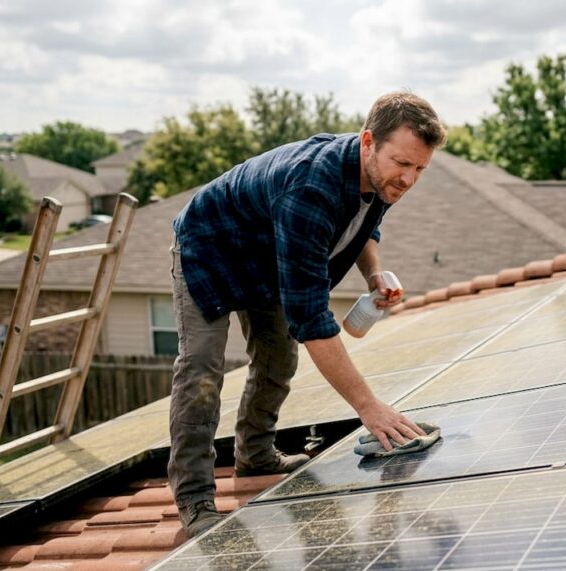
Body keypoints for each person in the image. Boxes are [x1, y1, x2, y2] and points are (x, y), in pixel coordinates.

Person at [167, 91, 447, 537]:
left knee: (279, 358)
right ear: (369, 141)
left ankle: (255, 454)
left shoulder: (381, 172)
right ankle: (195, 497)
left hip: (268, 253)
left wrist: (373, 276)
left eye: (419, 169)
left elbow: (365, 226)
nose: (409, 178)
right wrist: (368, 409)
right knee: (203, 369)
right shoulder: (311, 187)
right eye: (402, 164)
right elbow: (312, 319)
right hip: (212, 248)